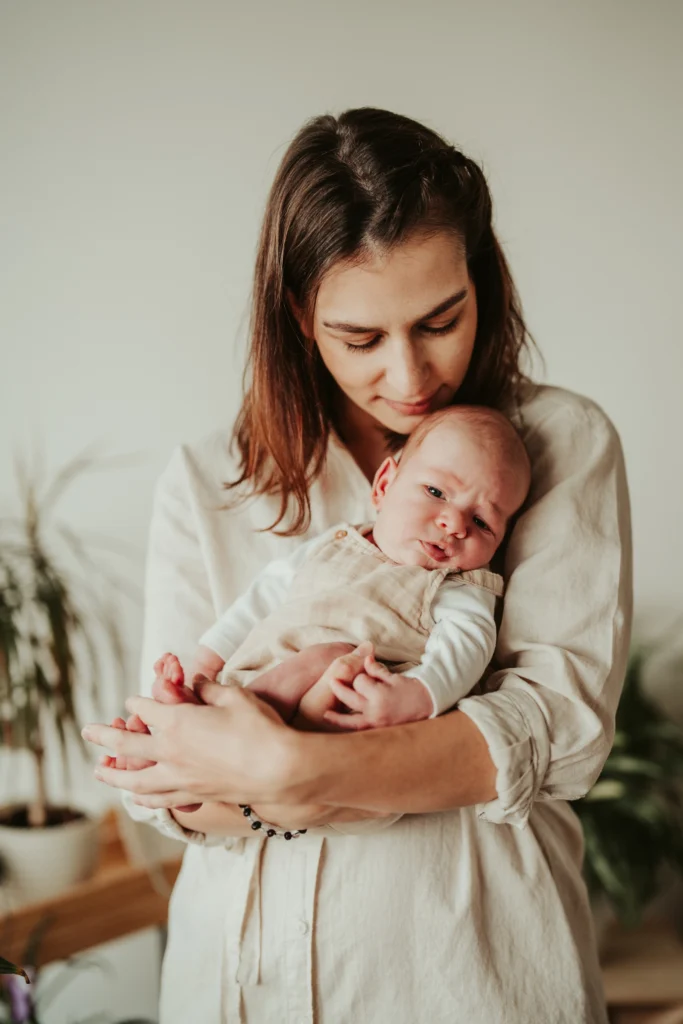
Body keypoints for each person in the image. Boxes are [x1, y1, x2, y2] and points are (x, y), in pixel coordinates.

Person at [83, 107, 632, 1024]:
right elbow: (164, 782)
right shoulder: (209, 481)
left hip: (466, 974)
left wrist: (289, 773)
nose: (411, 375)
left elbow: (559, 729)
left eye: (440, 320)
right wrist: (279, 775)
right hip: (240, 979)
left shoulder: (557, 445)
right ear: (299, 318)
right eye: (359, 338)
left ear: (481, 282)